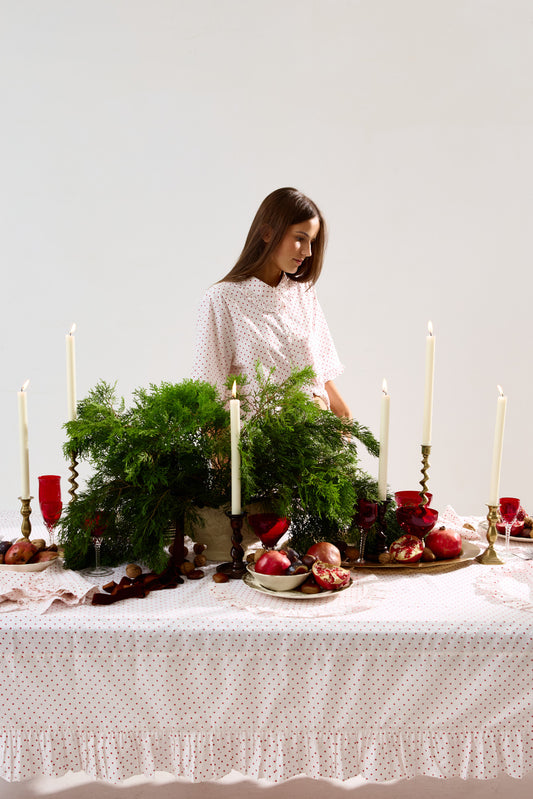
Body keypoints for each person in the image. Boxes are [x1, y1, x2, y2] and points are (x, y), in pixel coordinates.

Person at [192, 187, 351, 418]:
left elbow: (321, 372)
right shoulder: (222, 299)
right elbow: (208, 390)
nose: (307, 252)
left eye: (312, 242)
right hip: (259, 446)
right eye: (300, 239)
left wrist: (344, 416)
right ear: (267, 233)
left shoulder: (303, 293)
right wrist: (222, 449)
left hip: (317, 441)